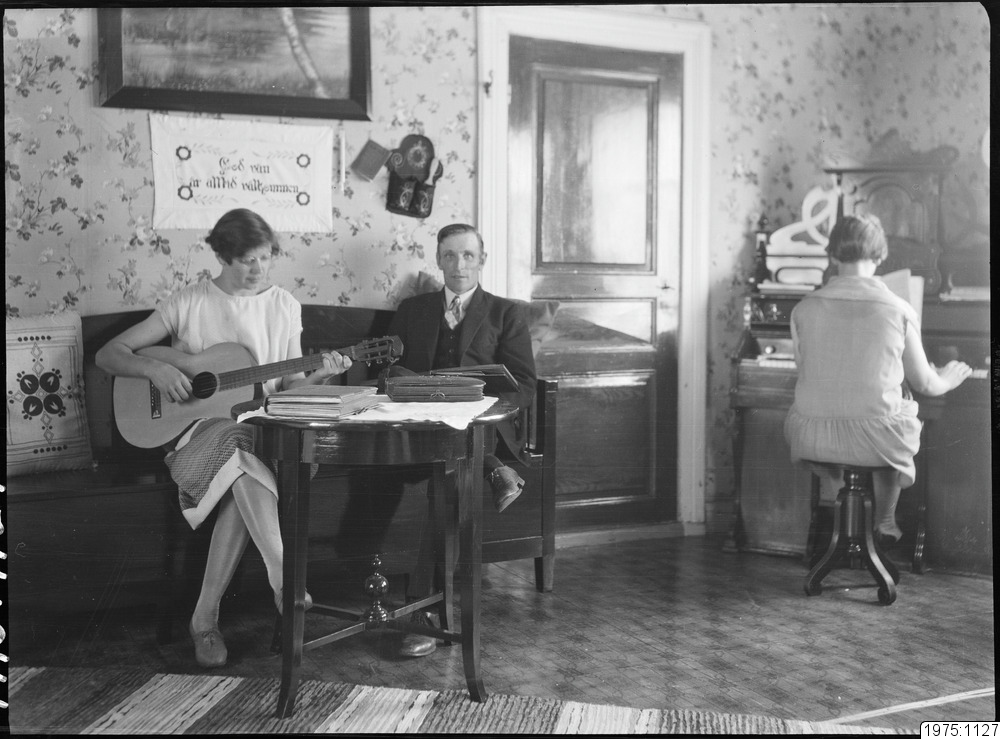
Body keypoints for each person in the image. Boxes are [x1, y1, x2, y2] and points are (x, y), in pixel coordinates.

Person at [96, 208, 353, 669]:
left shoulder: (284, 305)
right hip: (195, 431)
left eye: (265, 258)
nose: (259, 269)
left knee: (243, 462)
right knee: (237, 444)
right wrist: (156, 368)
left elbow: (289, 388)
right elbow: (108, 354)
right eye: (247, 260)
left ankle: (205, 619)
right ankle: (282, 574)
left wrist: (321, 377)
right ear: (222, 256)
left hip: (265, 429)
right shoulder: (188, 301)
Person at [338, 222, 537, 658]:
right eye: (449, 255)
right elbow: (388, 371)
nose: (458, 264)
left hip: (474, 429)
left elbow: (523, 386)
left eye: (468, 255)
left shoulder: (506, 313)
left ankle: (426, 610)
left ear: (482, 260)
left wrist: (476, 402)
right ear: (438, 259)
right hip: (415, 431)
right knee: (375, 469)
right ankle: (493, 470)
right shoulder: (414, 309)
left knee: (449, 480)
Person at [783, 214, 972, 547]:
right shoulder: (898, 308)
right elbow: (925, 384)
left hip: (810, 435)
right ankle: (885, 519)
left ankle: (843, 516)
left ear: (832, 255)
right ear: (881, 255)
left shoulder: (803, 309)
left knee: (845, 417)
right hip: (877, 438)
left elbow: (803, 367)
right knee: (895, 412)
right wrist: (947, 377)